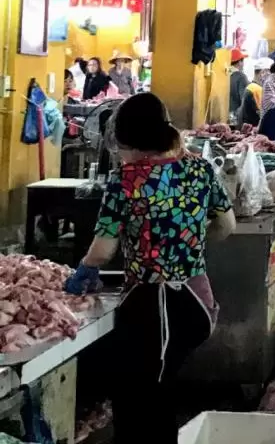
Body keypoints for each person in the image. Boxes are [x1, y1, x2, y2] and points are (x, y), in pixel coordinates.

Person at [64, 93, 235, 444]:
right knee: (160, 393)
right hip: (197, 302)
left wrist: (84, 269)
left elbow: (102, 249)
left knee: (138, 403)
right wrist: (189, 247)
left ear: (125, 138)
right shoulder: (199, 168)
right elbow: (227, 225)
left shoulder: (126, 179)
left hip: (152, 310)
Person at [228, 48, 249, 121]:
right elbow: (244, 101)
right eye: (242, 61)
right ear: (240, 62)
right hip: (235, 117)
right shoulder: (241, 77)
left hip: (224, 116)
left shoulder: (224, 75)